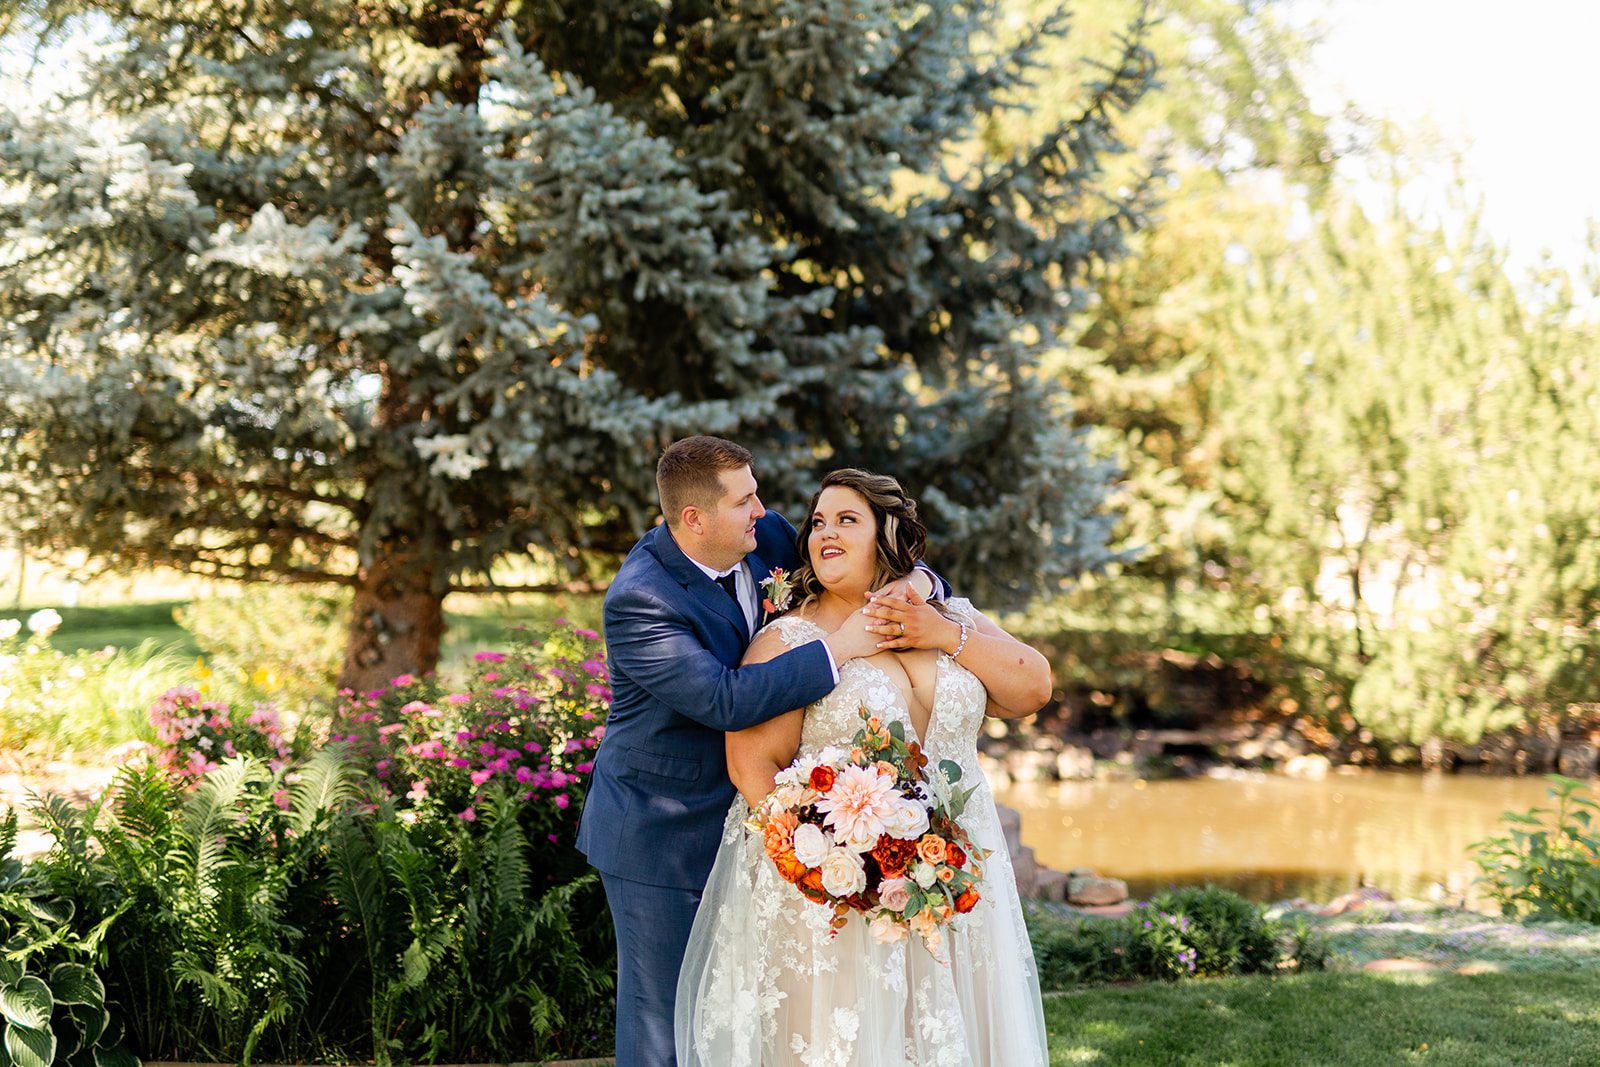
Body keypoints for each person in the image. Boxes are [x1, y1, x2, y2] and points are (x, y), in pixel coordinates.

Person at [577, 438, 947, 1067]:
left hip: (758, 813)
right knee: (666, 1021)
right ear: (695, 519)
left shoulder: (759, 535)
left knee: (744, 1008)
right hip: (661, 829)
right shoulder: (642, 599)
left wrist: (914, 583)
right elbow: (726, 700)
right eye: (745, 499)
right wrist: (841, 646)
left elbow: (880, 562)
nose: (765, 510)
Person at [676, 468, 1053, 1066]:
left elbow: (1032, 687)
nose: (826, 532)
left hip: (961, 874)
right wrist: (833, 863)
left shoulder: (944, 613)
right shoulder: (789, 641)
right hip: (843, 891)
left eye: (847, 519)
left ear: (886, 533)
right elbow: (752, 765)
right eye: (818, 522)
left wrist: (944, 632)